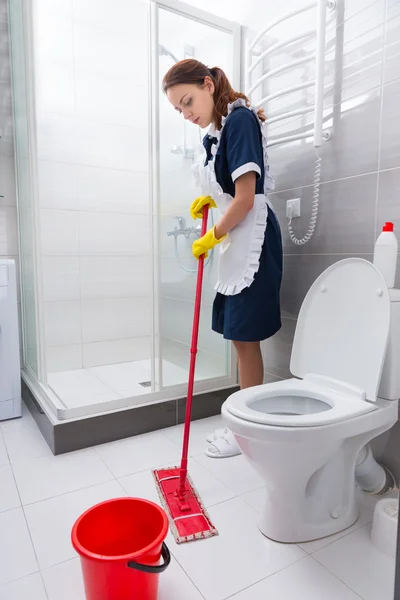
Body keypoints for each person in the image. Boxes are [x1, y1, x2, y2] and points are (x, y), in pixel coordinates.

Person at [163, 59, 282, 458]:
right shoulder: (215, 134)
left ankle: (248, 433)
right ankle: (250, 425)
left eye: (188, 100)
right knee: (239, 338)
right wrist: (210, 202)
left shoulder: (241, 120)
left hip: (254, 239)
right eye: (179, 109)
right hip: (239, 238)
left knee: (245, 338)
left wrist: (211, 237)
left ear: (208, 85)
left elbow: (246, 199)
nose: (186, 113)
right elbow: (231, 193)